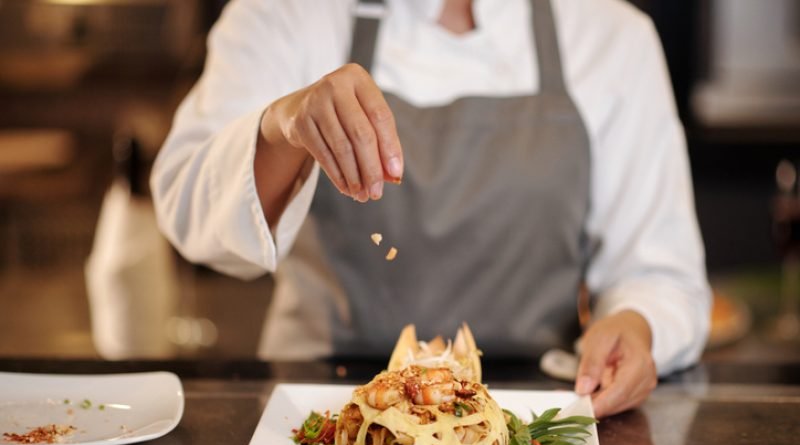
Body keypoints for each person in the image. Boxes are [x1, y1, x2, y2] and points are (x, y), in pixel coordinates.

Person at [151, 0, 711, 417]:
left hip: (534, 420)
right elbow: (187, 212)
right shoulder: (287, 14)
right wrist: (280, 128)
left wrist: (636, 325)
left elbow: (660, 275)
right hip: (322, 411)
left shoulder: (612, 35)